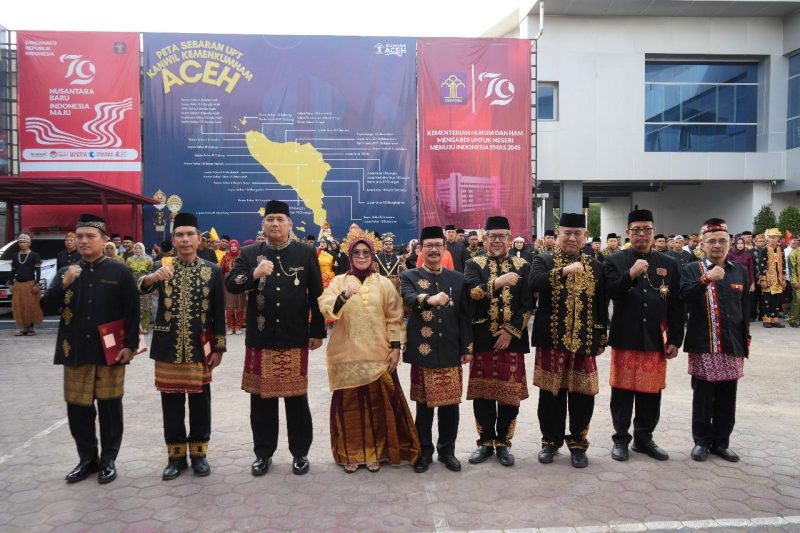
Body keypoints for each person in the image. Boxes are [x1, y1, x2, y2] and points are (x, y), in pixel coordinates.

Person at [226, 200, 325, 476]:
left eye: (280, 219)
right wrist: (253, 275)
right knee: (261, 400)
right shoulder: (249, 254)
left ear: (290, 224)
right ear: (263, 224)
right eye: (270, 220)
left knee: (297, 400)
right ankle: (263, 453)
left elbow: (316, 295)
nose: (275, 224)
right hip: (261, 338)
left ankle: (300, 453)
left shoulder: (305, 253)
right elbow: (231, 284)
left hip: (294, 337)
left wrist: (317, 331)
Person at [41, 214, 140, 484]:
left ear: (104, 240)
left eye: (90, 236)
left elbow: (132, 310)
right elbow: (46, 308)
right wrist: (63, 285)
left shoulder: (119, 271)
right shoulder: (67, 271)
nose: (84, 241)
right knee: (78, 408)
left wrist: (130, 346)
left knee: (110, 408)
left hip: (110, 353)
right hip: (75, 352)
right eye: (79, 236)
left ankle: (108, 459)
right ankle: (87, 459)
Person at [318, 231, 420, 473]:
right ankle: (350, 454)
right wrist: (342, 297)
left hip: (378, 355)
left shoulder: (383, 284)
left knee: (377, 408)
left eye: (366, 252)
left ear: (372, 255)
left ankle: (375, 452)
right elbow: (325, 307)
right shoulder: (339, 281)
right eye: (356, 252)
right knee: (348, 410)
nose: (361, 256)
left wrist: (396, 348)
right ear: (350, 256)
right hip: (346, 355)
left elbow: (394, 318)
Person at [139, 213, 226, 480]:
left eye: (190, 235)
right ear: (174, 240)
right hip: (167, 346)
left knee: (201, 402)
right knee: (171, 403)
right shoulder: (160, 265)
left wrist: (220, 347)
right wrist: (152, 278)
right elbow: (139, 287)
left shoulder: (212, 270)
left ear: (199, 239)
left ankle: (199, 454)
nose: (185, 239)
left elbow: (217, 312)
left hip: (200, 347)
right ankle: (175, 457)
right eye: (179, 235)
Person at [604, 209, 683, 462]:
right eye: (636, 229)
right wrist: (631, 274)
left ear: (653, 231)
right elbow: (611, 292)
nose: (641, 234)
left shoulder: (669, 263)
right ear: (627, 232)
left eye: (646, 229)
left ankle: (644, 439)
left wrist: (675, 339)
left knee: (651, 393)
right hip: (625, 337)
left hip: (654, 339)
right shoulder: (615, 260)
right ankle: (620, 440)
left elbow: (676, 304)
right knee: (622, 392)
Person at [529, 213, 607, 468]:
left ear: (585, 237)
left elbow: (601, 304)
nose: (572, 238)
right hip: (552, 340)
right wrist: (563, 271)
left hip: (584, 341)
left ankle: (577, 444)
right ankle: (550, 442)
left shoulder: (595, 265)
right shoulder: (544, 259)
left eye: (577, 234)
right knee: (551, 394)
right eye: (567, 233)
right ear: (557, 235)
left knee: (583, 395)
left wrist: (601, 335)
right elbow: (534, 283)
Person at [401, 226, 472, 473]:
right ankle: (424, 452)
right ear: (421, 249)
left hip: (451, 349)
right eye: (428, 245)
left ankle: (447, 451)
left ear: (444, 249)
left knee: (450, 406)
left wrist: (467, 348)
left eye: (437, 245)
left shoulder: (457, 278)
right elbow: (409, 298)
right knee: (424, 407)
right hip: (424, 351)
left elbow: (465, 317)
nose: (433, 250)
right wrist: (428, 299)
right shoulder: (409, 275)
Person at [464, 216, 532, 467]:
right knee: (483, 394)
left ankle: (503, 442)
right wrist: (498, 282)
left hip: (512, 340)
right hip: (482, 339)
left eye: (502, 236)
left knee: (509, 395)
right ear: (484, 239)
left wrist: (510, 331)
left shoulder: (523, 264)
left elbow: (528, 304)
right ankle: (484, 442)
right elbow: (471, 293)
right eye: (492, 236)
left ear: (510, 238)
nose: (496, 240)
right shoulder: (473, 264)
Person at [681, 218, 750, 462]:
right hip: (704, 344)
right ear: (701, 244)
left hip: (732, 345)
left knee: (727, 397)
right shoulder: (691, 269)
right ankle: (701, 441)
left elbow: (744, 308)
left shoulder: (739, 270)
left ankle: (722, 442)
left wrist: (746, 340)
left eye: (722, 241)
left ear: (730, 243)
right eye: (712, 241)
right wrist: (706, 279)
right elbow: (683, 297)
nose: (717, 245)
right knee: (703, 396)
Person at [10, 233, 43, 336]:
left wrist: (36, 284)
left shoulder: (34, 255)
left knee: (31, 307)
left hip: (30, 284)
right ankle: (24, 328)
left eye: (24, 242)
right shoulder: (15, 256)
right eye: (20, 242)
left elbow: (38, 271)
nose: (22, 244)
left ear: (29, 243)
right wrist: (11, 283)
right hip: (18, 285)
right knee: (20, 307)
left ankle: (31, 329)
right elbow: (12, 271)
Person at [756, 228, 787, 328]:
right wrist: (763, 279)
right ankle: (766, 320)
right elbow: (761, 265)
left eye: (774, 238)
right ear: (767, 239)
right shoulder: (764, 250)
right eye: (770, 238)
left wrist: (783, 278)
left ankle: (775, 320)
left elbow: (783, 264)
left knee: (777, 300)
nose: (772, 239)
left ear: (778, 238)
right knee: (767, 300)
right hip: (768, 279)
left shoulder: (780, 250)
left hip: (778, 279)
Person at [126, 243, 154, 334]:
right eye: (136, 248)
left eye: (140, 248)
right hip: (132, 284)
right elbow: (127, 272)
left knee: (145, 306)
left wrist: (149, 285)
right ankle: (135, 326)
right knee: (133, 305)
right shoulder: (129, 260)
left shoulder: (148, 260)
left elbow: (151, 272)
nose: (138, 250)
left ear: (143, 249)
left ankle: (145, 326)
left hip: (144, 284)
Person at [220, 239, 247, 335]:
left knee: (239, 304)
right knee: (229, 305)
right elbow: (221, 271)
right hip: (227, 283)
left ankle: (238, 326)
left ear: (238, 247)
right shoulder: (225, 257)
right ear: (229, 247)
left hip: (240, 281)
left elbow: (245, 269)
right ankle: (231, 327)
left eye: (235, 246)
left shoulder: (242, 257)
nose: (233, 248)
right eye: (231, 246)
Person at [727, 236, 756, 301]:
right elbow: (728, 270)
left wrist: (752, 283)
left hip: (746, 280)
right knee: (736, 300)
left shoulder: (748, 255)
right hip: (734, 280)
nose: (740, 245)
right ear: (735, 244)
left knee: (746, 300)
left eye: (742, 243)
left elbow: (751, 270)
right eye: (738, 243)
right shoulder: (730, 255)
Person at [790, 241, 800, 327]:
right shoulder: (793, 253)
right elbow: (792, 269)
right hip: (798, 281)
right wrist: (794, 282)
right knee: (797, 300)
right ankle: (793, 319)